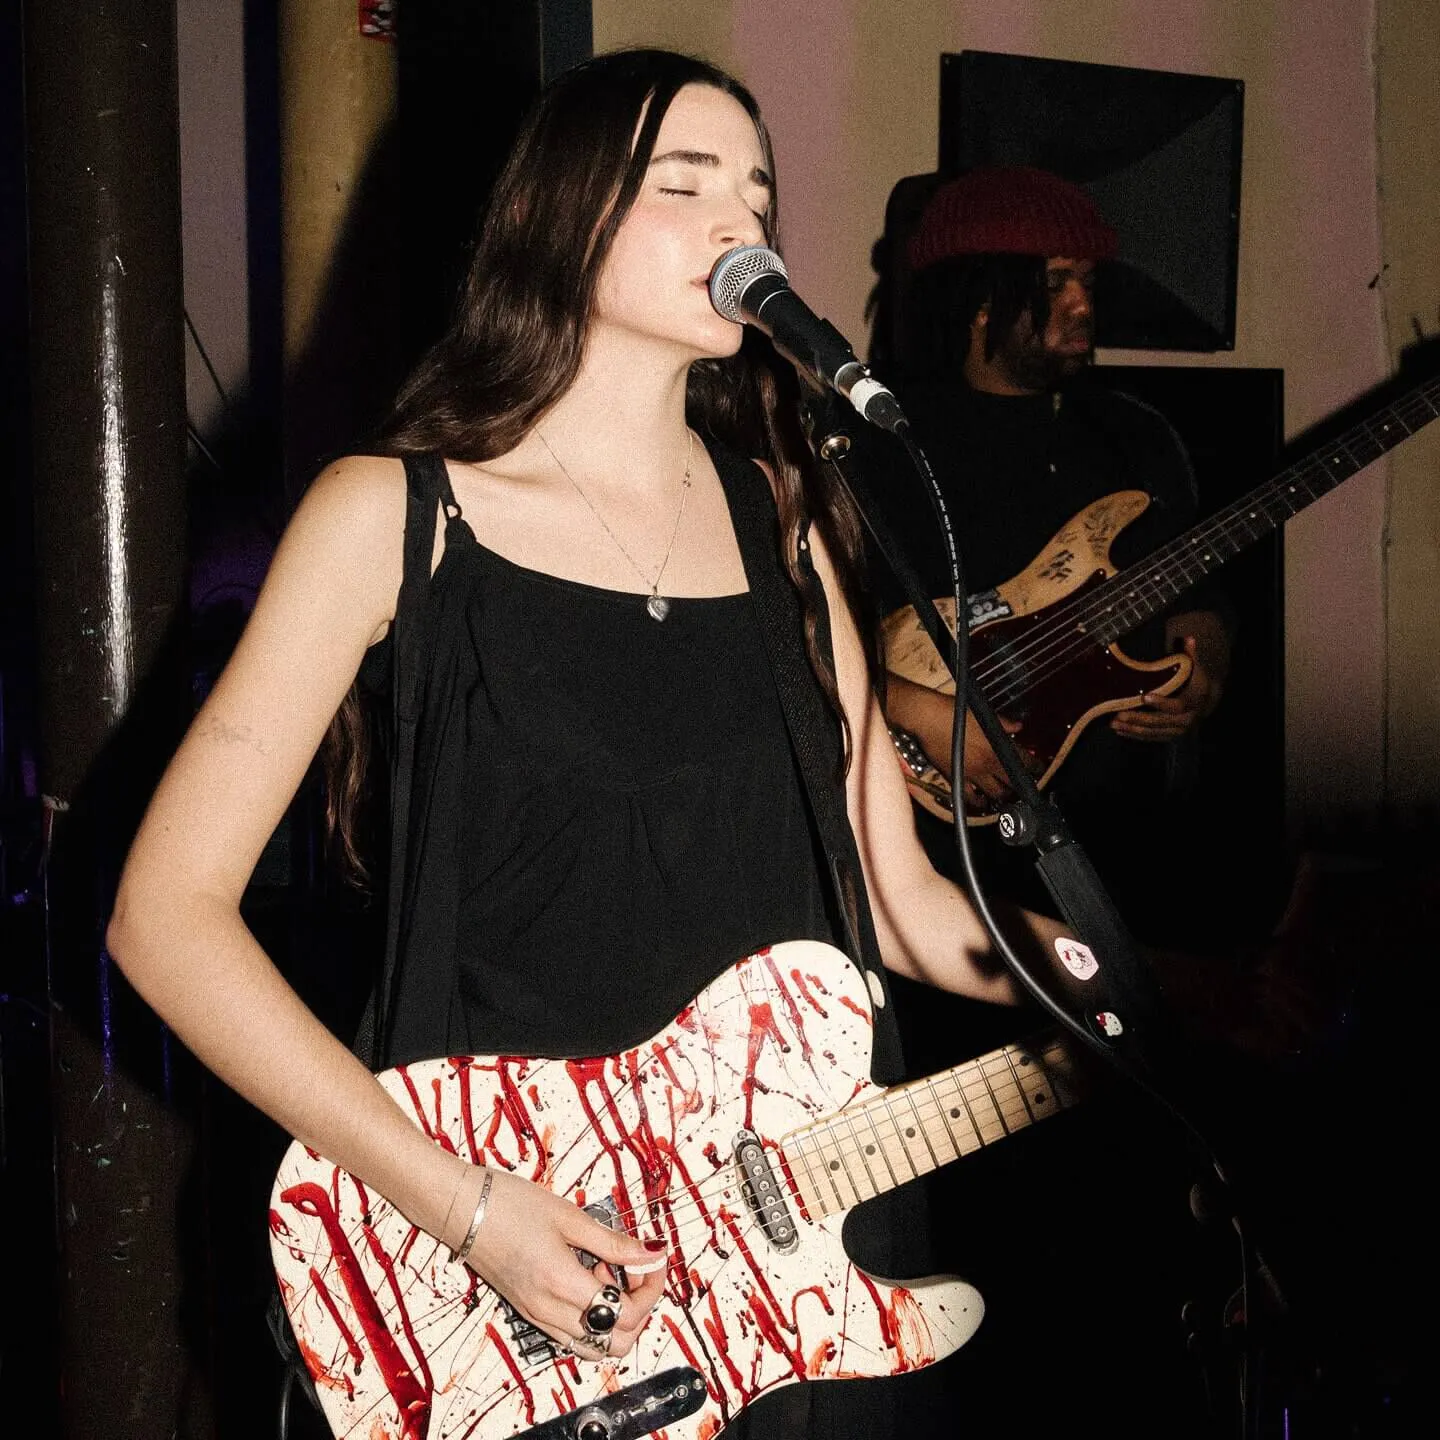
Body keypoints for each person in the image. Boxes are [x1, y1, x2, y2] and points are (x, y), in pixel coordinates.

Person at [106, 50, 1077, 1440]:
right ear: (558, 222)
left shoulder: (785, 522)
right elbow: (165, 916)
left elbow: (912, 907)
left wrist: (1142, 988)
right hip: (500, 1277)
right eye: (685, 184)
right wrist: (469, 1207)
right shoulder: (390, 514)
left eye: (758, 189)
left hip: (796, 1269)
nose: (742, 220)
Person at [869, 165, 1234, 945]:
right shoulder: (881, 446)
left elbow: (1200, 592)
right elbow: (808, 631)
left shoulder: (1137, 436)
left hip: (1126, 840)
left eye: (1089, 280)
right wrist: (921, 712)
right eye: (1057, 281)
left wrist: (1204, 670)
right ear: (978, 299)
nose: (1084, 304)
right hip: (951, 851)